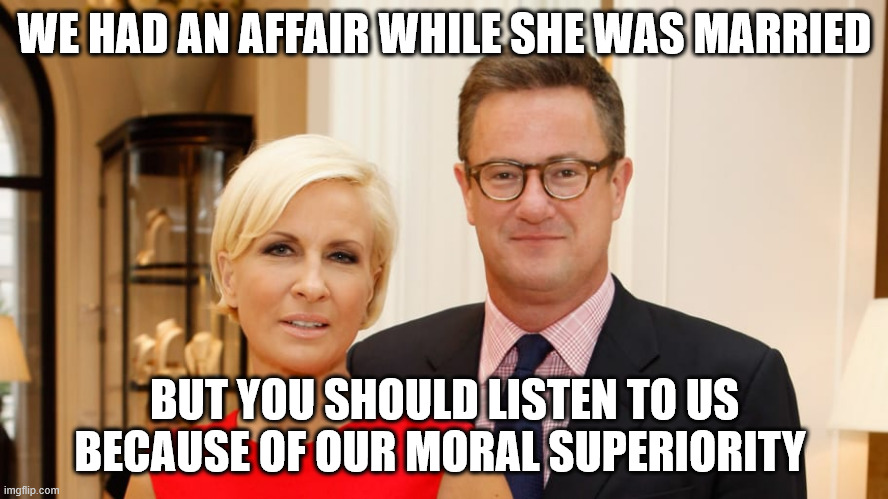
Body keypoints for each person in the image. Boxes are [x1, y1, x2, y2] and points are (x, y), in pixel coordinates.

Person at [348, 54, 807, 499]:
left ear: (617, 186)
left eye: (566, 172)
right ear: (467, 191)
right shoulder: (380, 371)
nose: (533, 205)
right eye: (503, 174)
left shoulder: (739, 385)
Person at [115, 135, 511, 499]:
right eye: (280, 249)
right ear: (229, 277)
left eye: (341, 256)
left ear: (371, 286)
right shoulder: (161, 477)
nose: (312, 285)